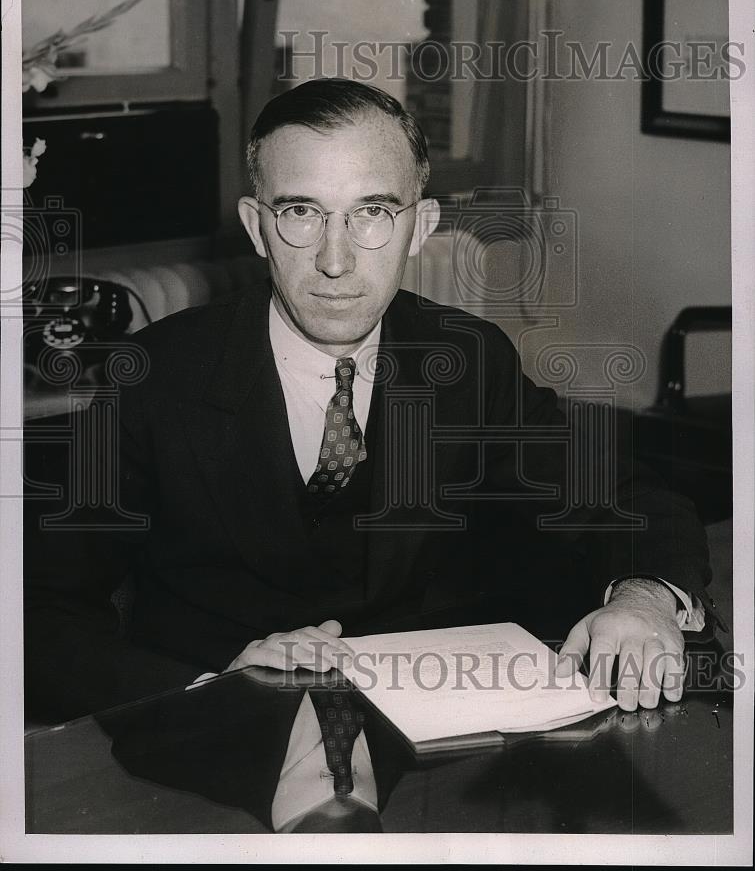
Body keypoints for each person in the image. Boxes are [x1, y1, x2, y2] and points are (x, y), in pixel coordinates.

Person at [25, 79, 714, 733]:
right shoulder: (150, 377)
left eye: (373, 214)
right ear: (256, 227)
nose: (335, 259)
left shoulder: (466, 359)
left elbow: (623, 497)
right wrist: (204, 694)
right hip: (218, 745)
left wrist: (644, 597)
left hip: (437, 750)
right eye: (300, 212)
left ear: (421, 227)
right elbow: (39, 613)